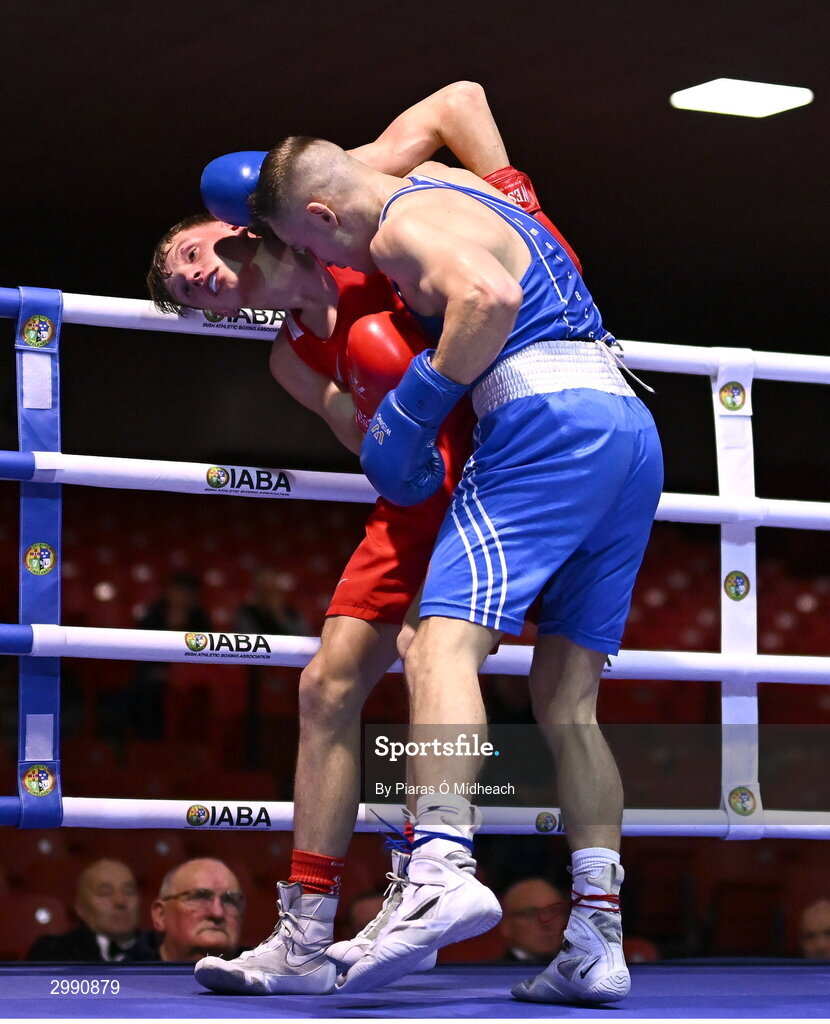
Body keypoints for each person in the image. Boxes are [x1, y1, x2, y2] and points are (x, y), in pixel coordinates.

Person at [147, 83, 573, 997]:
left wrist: (509, 188)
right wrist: (394, 449)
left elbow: (455, 109)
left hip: (499, 463)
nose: (196, 277)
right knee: (326, 684)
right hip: (418, 497)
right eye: (185, 291)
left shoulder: (353, 234)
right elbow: (364, 440)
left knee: (433, 654)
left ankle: (437, 872)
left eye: (191, 254)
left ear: (233, 226)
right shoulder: (286, 358)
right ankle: (302, 930)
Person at [249, 129, 663, 1004]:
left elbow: (488, 292)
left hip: (544, 423)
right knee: (567, 698)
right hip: (628, 424)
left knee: (437, 647)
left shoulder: (399, 223)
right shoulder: (448, 178)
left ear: (323, 216)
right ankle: (595, 937)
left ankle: (439, 863)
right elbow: (453, 114)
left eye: (314, 244)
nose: (328, 261)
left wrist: (422, 397)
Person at [26, 858, 156, 962]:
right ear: (81, 908)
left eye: (129, 892)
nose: (120, 902)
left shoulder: (163, 951)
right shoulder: (53, 954)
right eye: (105, 893)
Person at [150, 858, 245, 963]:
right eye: (199, 898)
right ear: (161, 915)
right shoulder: (131, 973)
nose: (217, 913)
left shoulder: (261, 974)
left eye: (229, 901)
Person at [499, 878, 568, 965]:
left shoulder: (583, 972)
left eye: (553, 911)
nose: (546, 923)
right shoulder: (489, 975)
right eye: (531, 913)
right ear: (506, 926)